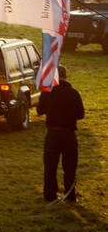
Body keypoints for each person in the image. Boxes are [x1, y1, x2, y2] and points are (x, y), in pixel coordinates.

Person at [37, 65, 85, 204]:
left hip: (52, 134)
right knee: (70, 167)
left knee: (50, 167)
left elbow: (40, 110)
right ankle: (70, 195)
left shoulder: (47, 92)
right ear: (66, 76)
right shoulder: (74, 93)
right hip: (69, 134)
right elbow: (80, 114)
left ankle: (50, 195)